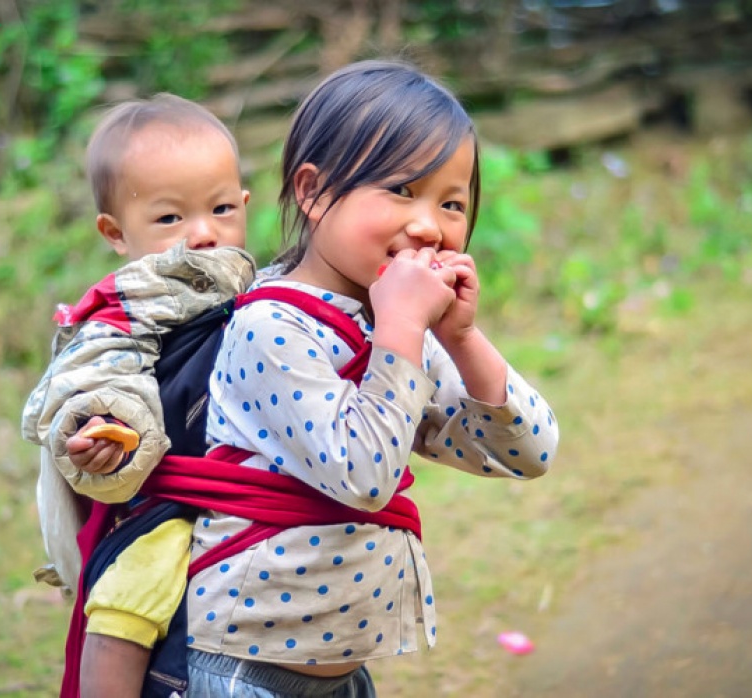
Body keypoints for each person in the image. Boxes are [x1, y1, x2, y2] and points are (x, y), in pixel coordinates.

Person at [173, 59, 561, 697]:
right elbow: (363, 476)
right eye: (402, 189)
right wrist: (406, 330)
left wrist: (459, 337)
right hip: (247, 671)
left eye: (453, 203)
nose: (430, 225)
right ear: (315, 192)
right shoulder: (271, 328)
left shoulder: (391, 326)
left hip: (344, 675)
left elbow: (529, 451)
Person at [20, 92, 254, 697]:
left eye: (222, 208)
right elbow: (100, 377)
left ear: (245, 204)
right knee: (131, 594)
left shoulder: (267, 292)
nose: (204, 234)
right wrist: (106, 427)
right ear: (115, 232)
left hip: (249, 490)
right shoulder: (127, 307)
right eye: (171, 219)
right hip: (160, 500)